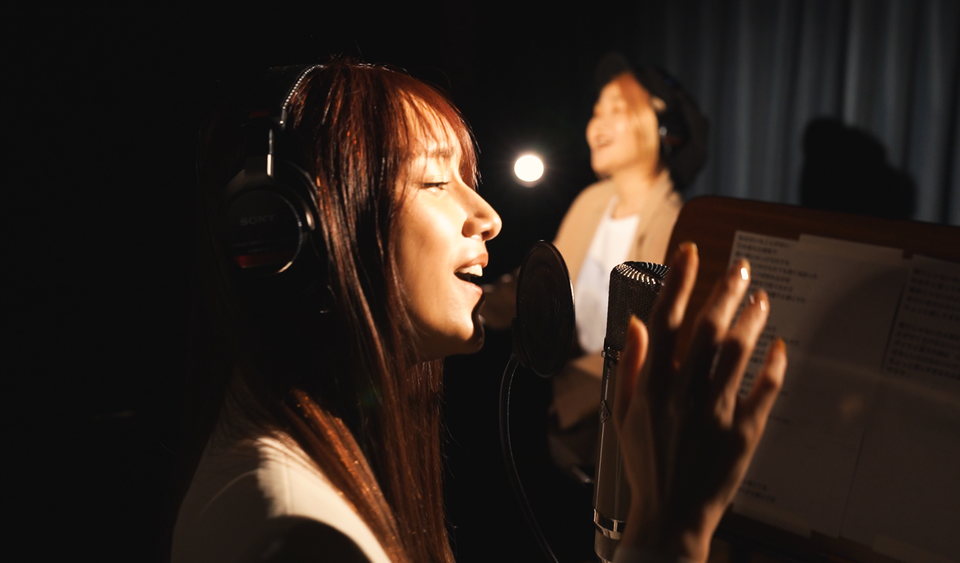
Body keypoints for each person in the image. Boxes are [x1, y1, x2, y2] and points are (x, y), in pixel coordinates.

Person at [170, 60, 784, 563]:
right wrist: (668, 538)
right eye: (436, 183)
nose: (489, 217)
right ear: (296, 231)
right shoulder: (302, 541)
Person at [482, 56, 708, 479]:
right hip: (557, 401)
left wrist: (566, 393)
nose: (596, 125)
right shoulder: (591, 202)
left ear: (663, 129)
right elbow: (541, 286)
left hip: (608, 430)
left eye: (617, 109)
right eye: (596, 111)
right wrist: (475, 305)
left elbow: (646, 354)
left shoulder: (676, 225)